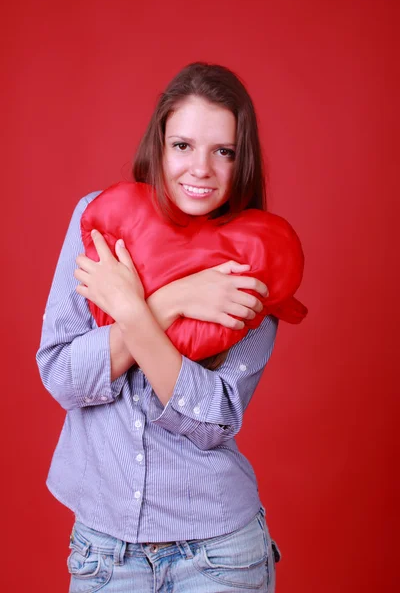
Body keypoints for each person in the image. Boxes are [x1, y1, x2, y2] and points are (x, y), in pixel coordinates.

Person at [36, 62, 291, 592]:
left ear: (243, 162)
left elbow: (212, 422)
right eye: (183, 145)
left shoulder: (258, 258)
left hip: (219, 554)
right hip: (103, 554)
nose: (201, 168)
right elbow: (62, 376)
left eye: (224, 151)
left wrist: (132, 308)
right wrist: (173, 300)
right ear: (159, 145)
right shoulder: (101, 218)